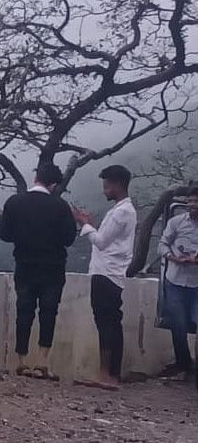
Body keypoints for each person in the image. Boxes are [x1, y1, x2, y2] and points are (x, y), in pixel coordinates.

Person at [0, 163, 77, 380]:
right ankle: (42, 362)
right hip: (53, 267)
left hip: (25, 264)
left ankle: (21, 361)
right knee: (48, 312)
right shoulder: (60, 206)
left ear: (36, 178)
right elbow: (70, 238)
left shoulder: (15, 202)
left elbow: (4, 234)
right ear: (53, 184)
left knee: (24, 311)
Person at [71, 165, 137, 390]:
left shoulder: (122, 211)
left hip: (107, 272)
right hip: (110, 271)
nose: (104, 190)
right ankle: (108, 373)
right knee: (109, 322)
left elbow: (100, 241)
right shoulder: (123, 210)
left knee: (106, 322)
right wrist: (90, 225)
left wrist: (84, 223)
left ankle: (107, 374)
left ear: (118, 184)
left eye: (107, 186)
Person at [156, 186, 198, 379]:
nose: (193, 205)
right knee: (177, 323)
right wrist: (172, 257)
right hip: (175, 279)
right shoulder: (176, 222)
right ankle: (183, 363)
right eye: (190, 201)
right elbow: (162, 243)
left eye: (196, 201)